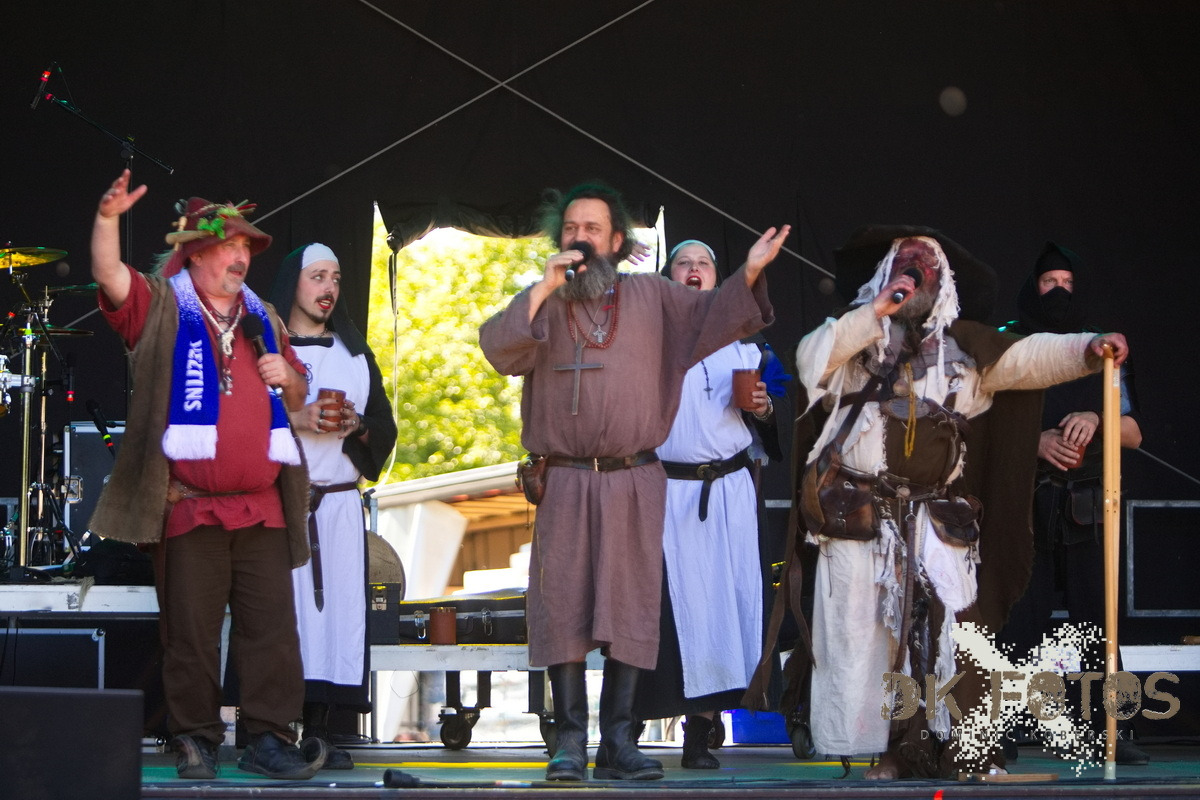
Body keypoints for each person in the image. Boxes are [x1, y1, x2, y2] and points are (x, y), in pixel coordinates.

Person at [794, 226, 1129, 779]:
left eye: (927, 263)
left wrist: (1088, 348)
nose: (916, 269)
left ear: (943, 281)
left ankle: (963, 749)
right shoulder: (849, 341)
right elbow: (812, 362)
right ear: (885, 274)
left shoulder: (968, 347)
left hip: (937, 517)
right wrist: (876, 312)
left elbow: (1029, 358)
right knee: (871, 638)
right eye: (905, 261)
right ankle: (890, 751)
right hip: (861, 516)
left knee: (957, 634)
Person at [479, 182, 788, 781]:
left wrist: (749, 272)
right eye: (571, 229)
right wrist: (542, 287)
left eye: (592, 229)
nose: (580, 239)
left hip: (634, 477)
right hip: (564, 480)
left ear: (616, 240)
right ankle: (570, 743)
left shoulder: (653, 296)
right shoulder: (544, 302)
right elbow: (498, 348)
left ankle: (618, 742)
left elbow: (715, 316)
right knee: (562, 604)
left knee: (631, 608)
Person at [87, 170, 327, 780]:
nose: (242, 256)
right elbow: (110, 277)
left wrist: (289, 378)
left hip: (262, 506)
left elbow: (298, 397)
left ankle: (269, 737)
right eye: (230, 246)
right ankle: (195, 737)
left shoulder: (264, 317)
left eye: (247, 246)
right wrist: (108, 219)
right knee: (191, 633)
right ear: (196, 254)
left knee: (272, 631)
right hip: (190, 503)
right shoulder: (163, 306)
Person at [632, 240, 787, 769]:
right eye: (683, 263)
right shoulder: (648, 340)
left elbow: (778, 408)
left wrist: (764, 409)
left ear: (719, 280)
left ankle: (701, 732)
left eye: (703, 263)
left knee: (726, 606)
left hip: (729, 496)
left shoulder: (751, 345)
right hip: (668, 494)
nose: (694, 269)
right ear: (668, 277)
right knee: (668, 613)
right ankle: (628, 730)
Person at [999, 242, 1147, 765]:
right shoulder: (1008, 343)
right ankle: (1000, 728)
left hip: (1088, 502)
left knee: (1097, 617)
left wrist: (1099, 417)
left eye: (1067, 283)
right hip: (1026, 499)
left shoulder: (1102, 350)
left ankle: (1109, 728)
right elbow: (979, 425)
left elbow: (1134, 432)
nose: (1059, 290)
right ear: (1033, 287)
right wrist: (1034, 441)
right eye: (1049, 282)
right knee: (1018, 615)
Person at [268, 243, 399, 770]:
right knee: (285, 618)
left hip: (340, 506)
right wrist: (295, 419)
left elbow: (384, 428)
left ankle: (322, 731)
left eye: (336, 278)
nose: (329, 288)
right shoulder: (268, 352)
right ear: (293, 283)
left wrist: (357, 426)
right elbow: (240, 424)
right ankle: (276, 731)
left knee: (338, 614)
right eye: (317, 276)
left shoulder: (355, 355)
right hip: (283, 505)